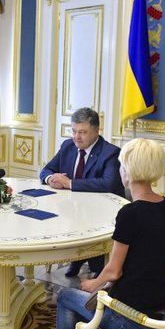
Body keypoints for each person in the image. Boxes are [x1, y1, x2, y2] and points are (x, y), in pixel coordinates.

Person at [34, 137, 165, 329]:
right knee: (90, 300)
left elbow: (113, 271)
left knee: (67, 297)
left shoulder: (130, 213)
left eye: (122, 165)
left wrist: (92, 283)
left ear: (128, 171)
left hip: (134, 320)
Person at [39, 107, 125, 277]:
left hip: (101, 211)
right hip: (71, 208)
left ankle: (97, 268)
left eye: (82, 132)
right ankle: (76, 259)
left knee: (86, 224)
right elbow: (46, 170)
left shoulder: (110, 153)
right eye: (74, 131)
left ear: (96, 131)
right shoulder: (68, 146)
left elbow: (109, 183)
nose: (76, 137)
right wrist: (51, 179)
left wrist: (69, 183)